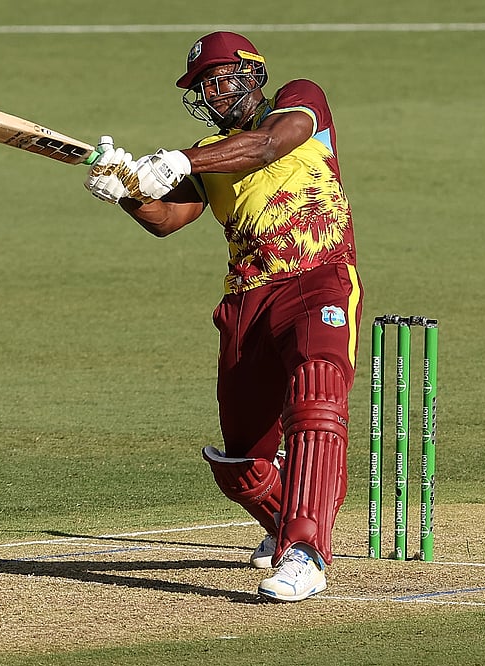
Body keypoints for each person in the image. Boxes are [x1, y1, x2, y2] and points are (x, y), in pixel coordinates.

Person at [84, 31, 363, 602]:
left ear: (253, 73)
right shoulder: (210, 154)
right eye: (202, 87)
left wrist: (181, 158)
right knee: (243, 458)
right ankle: (285, 518)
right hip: (246, 301)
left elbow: (265, 146)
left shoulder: (299, 100)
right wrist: (125, 190)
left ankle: (305, 551)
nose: (213, 93)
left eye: (220, 78)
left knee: (318, 393)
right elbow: (166, 219)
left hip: (317, 277)